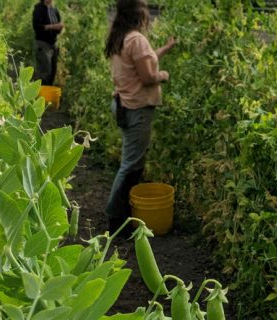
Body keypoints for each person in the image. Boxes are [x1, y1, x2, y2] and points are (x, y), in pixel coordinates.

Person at [104, 0, 176, 236]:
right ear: (140, 14)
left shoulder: (122, 37)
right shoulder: (137, 39)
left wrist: (165, 49)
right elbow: (148, 76)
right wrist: (163, 75)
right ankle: (116, 218)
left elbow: (143, 61)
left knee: (131, 162)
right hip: (137, 108)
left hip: (124, 104)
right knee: (131, 165)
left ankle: (123, 212)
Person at [32, 0, 63, 86]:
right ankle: (41, 96)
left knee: (52, 72)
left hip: (53, 44)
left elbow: (58, 27)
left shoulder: (54, 10)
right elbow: (37, 27)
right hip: (42, 44)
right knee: (45, 72)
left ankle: (47, 95)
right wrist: (53, 26)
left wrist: (59, 27)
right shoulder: (38, 9)